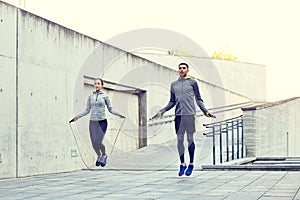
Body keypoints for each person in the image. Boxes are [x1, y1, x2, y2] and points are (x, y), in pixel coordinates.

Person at [155, 63, 214, 176]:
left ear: (187, 70)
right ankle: (182, 164)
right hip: (178, 116)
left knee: (190, 140)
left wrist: (205, 111)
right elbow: (172, 101)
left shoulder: (193, 83)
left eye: (184, 68)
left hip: (190, 115)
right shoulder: (174, 85)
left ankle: (191, 164)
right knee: (180, 141)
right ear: (178, 70)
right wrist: (162, 110)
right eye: (180, 68)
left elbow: (199, 99)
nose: (181, 70)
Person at [70, 78, 125, 167]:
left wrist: (118, 114)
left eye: (98, 83)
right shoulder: (90, 97)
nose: (96, 85)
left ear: (102, 85)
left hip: (102, 122)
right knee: (94, 143)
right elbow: (87, 111)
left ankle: (103, 155)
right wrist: (77, 117)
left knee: (98, 141)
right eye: (95, 83)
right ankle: (99, 155)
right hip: (93, 122)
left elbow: (110, 109)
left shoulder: (105, 97)